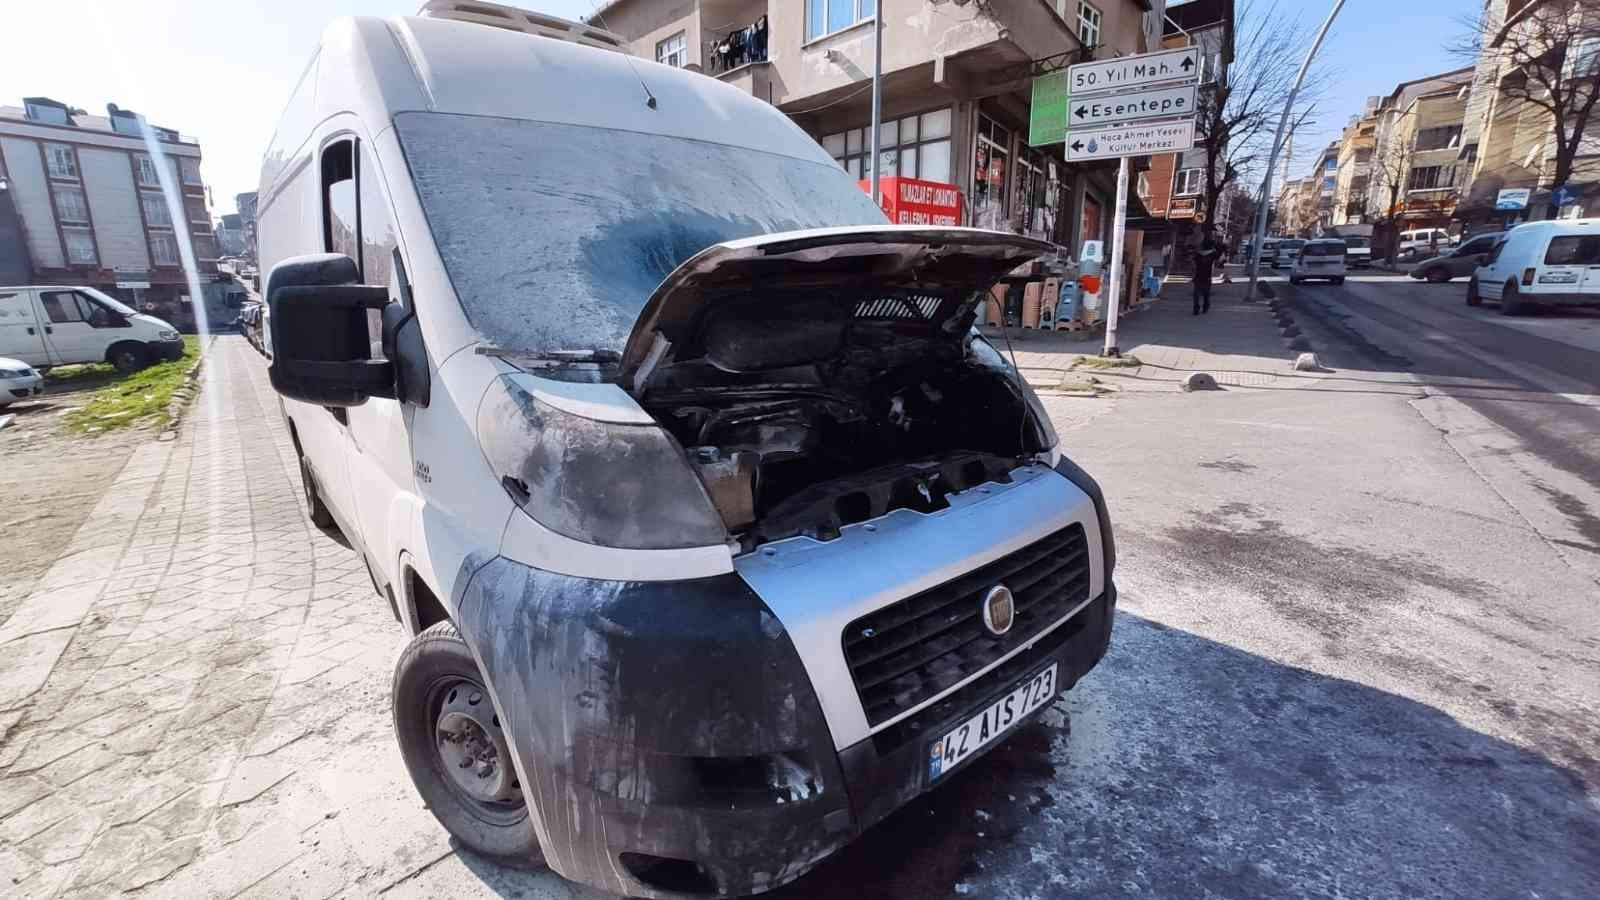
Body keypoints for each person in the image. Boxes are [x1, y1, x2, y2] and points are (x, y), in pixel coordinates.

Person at [1193, 227, 1221, 315]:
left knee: (1196, 293)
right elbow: (1219, 260)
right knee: (1206, 293)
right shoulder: (1212, 254)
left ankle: (1196, 308)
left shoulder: (1198, 254)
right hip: (1207, 276)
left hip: (1198, 276)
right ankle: (1205, 307)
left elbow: (1193, 262)